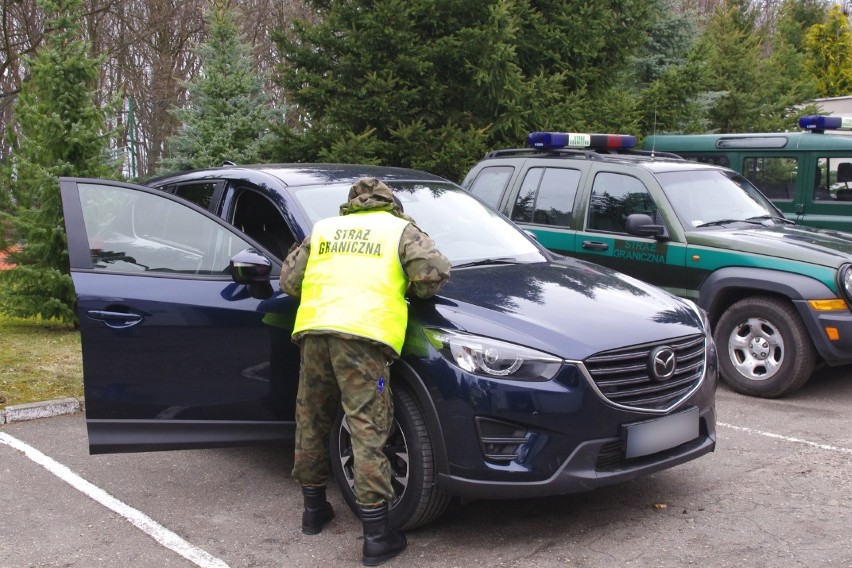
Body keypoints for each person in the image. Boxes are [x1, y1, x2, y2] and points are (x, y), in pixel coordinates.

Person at [279, 177, 451, 566]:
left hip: (314, 333)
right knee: (367, 425)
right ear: (390, 202)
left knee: (312, 418)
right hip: (362, 337)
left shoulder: (324, 230)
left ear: (350, 204)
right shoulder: (398, 230)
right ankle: (377, 536)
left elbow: (289, 282)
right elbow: (433, 275)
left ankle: (313, 511)